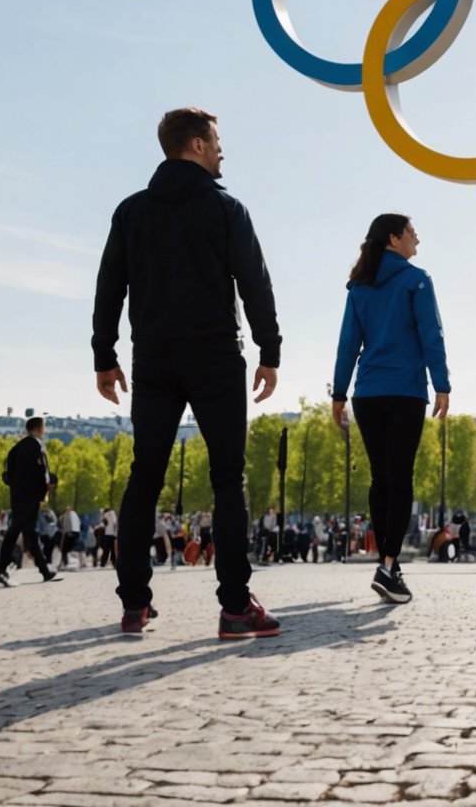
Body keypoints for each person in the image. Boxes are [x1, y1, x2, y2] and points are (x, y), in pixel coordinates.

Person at [93, 107, 282, 639]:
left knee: (143, 478)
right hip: (216, 356)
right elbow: (255, 283)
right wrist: (270, 350)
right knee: (228, 479)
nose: (223, 150)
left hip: (152, 358)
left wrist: (103, 356)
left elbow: (110, 287)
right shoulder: (226, 208)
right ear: (196, 145)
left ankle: (134, 605)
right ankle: (235, 608)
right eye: (217, 141)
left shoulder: (131, 211)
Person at [331, 212, 451, 605]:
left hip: (367, 392)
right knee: (401, 480)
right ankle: (388, 565)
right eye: (413, 232)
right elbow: (431, 334)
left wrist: (338, 394)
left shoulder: (359, 287)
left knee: (380, 479)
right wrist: (442, 385)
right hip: (405, 390)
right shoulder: (417, 280)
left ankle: (388, 565)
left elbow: (348, 343)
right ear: (394, 239)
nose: (418, 238)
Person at [0, 416, 58, 586]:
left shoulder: (19, 447)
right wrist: (43, 488)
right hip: (28, 497)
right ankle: (1, 570)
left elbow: (10, 474)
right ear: (40, 428)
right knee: (16, 532)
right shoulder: (34, 447)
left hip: (20, 496)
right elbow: (37, 473)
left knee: (29, 533)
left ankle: (44, 571)